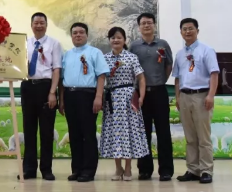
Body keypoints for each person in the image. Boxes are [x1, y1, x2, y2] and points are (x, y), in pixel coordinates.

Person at [60, 22, 109, 182]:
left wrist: (99, 97)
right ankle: (77, 169)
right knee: (74, 134)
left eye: (81, 32)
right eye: (75, 33)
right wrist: (61, 100)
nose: (78, 35)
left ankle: (88, 170)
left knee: (88, 133)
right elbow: (61, 79)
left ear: (87, 35)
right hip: (69, 95)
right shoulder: (67, 55)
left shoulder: (95, 52)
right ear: (71, 36)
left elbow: (101, 75)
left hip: (88, 95)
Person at [172, 18, 219, 184]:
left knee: (203, 137)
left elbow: (214, 74)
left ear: (197, 31)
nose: (187, 32)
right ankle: (193, 169)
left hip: (201, 96)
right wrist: (177, 97)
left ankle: (206, 170)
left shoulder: (207, 50)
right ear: (181, 32)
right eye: (184, 29)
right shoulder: (179, 54)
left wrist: (211, 96)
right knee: (190, 137)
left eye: (191, 28)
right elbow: (177, 78)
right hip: (184, 96)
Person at [100, 27, 149, 181]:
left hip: (129, 98)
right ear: (109, 40)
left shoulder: (131, 57)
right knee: (116, 133)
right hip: (112, 99)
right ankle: (118, 168)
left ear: (124, 40)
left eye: (119, 37)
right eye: (113, 37)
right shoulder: (105, 58)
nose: (116, 40)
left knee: (128, 132)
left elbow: (141, 78)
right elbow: (101, 79)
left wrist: (141, 97)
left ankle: (128, 168)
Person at [130, 12, 175, 181]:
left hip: (159, 92)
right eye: (143, 23)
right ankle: (144, 169)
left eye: (149, 22)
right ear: (139, 27)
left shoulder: (163, 44)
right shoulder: (134, 46)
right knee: (143, 132)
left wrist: (161, 80)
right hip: (141, 94)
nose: (147, 25)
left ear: (154, 25)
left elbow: (169, 64)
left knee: (164, 132)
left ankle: (166, 170)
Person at [20, 12, 62, 181]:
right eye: (36, 22)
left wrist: (53, 92)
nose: (39, 25)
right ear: (31, 25)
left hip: (46, 87)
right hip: (27, 87)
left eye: (42, 23)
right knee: (29, 130)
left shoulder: (54, 43)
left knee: (46, 131)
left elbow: (57, 69)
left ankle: (46, 169)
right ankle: (29, 169)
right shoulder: (24, 44)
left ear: (46, 25)